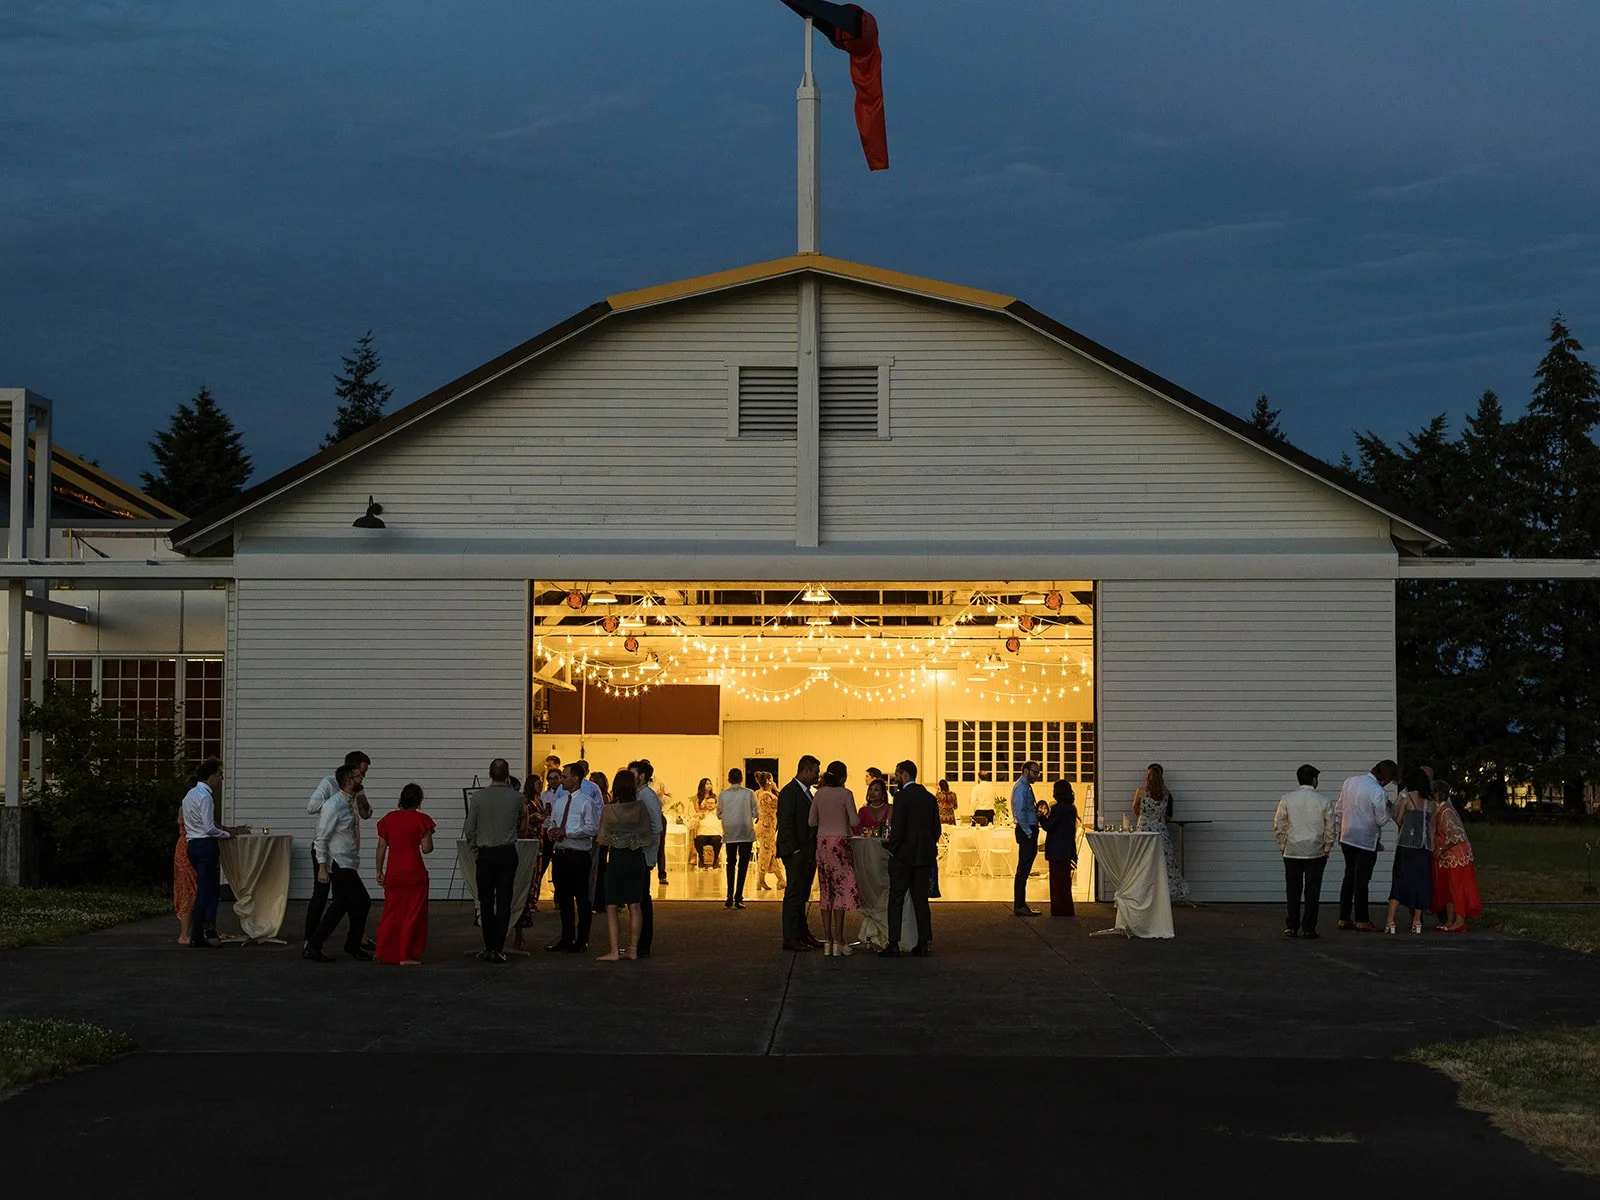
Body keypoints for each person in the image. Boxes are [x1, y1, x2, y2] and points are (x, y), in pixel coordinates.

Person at [304, 751, 372, 951]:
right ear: (352, 771)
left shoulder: (356, 789)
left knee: (343, 900)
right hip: (328, 851)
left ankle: (353, 939)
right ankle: (311, 938)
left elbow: (366, 814)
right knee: (323, 894)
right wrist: (339, 799)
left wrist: (359, 797)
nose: (364, 776)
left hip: (346, 853)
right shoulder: (329, 784)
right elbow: (312, 807)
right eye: (362, 772)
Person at [181, 759, 249, 949]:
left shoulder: (189, 795)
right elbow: (209, 827)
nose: (221, 778)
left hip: (192, 844)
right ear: (211, 776)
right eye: (219, 775)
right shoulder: (206, 797)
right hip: (205, 845)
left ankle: (202, 931)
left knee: (207, 889)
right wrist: (228, 834)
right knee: (208, 891)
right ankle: (203, 931)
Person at [461, 759, 523, 964]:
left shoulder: (478, 797)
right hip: (506, 852)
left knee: (486, 901)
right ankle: (498, 947)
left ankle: (488, 946)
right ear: (507, 774)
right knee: (504, 901)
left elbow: (469, 827)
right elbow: (523, 821)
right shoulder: (516, 797)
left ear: (489, 774)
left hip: (486, 854)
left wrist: (474, 849)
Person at [882, 760, 940, 957]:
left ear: (904, 774)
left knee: (896, 899)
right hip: (923, 856)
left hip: (903, 856)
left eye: (897, 775)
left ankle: (894, 943)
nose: (896, 779)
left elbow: (898, 827)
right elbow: (936, 829)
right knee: (920, 900)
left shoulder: (901, 798)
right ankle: (924, 941)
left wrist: (893, 848)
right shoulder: (929, 798)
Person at [595, 770, 653, 961]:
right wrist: (632, 839)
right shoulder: (641, 808)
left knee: (611, 905)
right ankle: (633, 949)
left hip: (617, 858)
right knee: (635, 904)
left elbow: (602, 838)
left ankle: (614, 950)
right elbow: (648, 835)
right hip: (635, 857)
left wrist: (617, 838)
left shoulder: (609, 810)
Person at [374, 783, 436, 965]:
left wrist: (379, 870)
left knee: (391, 913)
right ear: (419, 800)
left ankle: (382, 951)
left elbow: (381, 847)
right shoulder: (422, 820)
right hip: (414, 872)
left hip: (394, 872)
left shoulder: (389, 819)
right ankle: (406, 955)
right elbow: (427, 849)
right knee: (413, 914)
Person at [1334, 759, 1398, 931]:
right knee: (1362, 879)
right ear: (1385, 778)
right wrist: (1391, 810)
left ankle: (1344, 917)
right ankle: (1362, 919)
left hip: (1347, 835)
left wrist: (1339, 831)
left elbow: (1338, 809)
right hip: (1366, 839)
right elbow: (1381, 819)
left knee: (1349, 876)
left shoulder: (1350, 782)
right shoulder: (1378, 791)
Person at [547, 760, 602, 953]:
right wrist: (552, 832)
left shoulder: (586, 802)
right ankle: (566, 937)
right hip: (561, 854)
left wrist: (567, 832)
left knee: (582, 897)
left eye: (564, 776)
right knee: (563, 897)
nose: (561, 779)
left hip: (578, 855)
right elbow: (553, 822)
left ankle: (582, 939)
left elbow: (592, 828)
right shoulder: (560, 802)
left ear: (575, 779)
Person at [808, 760, 861, 956]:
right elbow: (855, 821)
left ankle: (828, 940)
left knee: (825, 890)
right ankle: (839, 940)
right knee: (840, 891)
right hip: (840, 844)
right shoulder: (846, 794)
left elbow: (811, 821)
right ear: (843, 777)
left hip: (822, 844)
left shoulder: (819, 794)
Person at [1274, 764, 1334, 938]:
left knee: (1292, 890)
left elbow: (1279, 824)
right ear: (1314, 780)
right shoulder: (1323, 800)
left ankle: (1291, 926)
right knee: (1312, 891)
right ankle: (1309, 928)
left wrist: (1283, 844)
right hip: (1315, 851)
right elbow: (1330, 827)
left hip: (1292, 849)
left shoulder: (1287, 799)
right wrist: (1327, 847)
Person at [777, 755, 823, 953]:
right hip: (796, 851)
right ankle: (791, 937)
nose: (817, 776)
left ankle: (802, 933)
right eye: (815, 772)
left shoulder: (807, 793)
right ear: (805, 770)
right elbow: (785, 821)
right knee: (794, 894)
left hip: (806, 850)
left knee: (802, 894)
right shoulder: (789, 792)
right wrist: (794, 848)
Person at [1385, 768, 1435, 935]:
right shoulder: (1431, 803)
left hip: (1406, 846)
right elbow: (1432, 828)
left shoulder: (1407, 798)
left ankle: (1391, 920)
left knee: (1400, 880)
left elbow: (1399, 820)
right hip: (1424, 847)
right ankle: (1417, 921)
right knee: (1420, 883)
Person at [1133, 762, 1191, 904]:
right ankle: (1164, 893)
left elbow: (1135, 808)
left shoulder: (1140, 792)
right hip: (1160, 830)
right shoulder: (1166, 794)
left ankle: (1141, 893)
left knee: (1142, 861)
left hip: (1144, 829)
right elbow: (1169, 816)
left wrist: (1145, 816)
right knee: (1164, 861)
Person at [1431, 780, 1481, 932]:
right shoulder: (1441, 810)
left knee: (1456, 887)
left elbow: (1456, 835)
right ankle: (1450, 920)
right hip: (1449, 857)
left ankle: (1459, 920)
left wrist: (1440, 849)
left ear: (1438, 794)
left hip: (1456, 856)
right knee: (1448, 888)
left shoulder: (1447, 812)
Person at [512, 774, 551, 951]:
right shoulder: (525, 800)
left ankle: (533, 900)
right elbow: (523, 819)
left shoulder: (539, 798)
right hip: (528, 839)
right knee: (529, 872)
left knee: (538, 871)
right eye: (537, 783)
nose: (540, 785)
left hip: (538, 840)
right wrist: (534, 816)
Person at [631, 760, 665, 957]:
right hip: (641, 853)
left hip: (643, 855)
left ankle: (644, 942)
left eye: (633, 773)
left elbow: (656, 827)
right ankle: (640, 942)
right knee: (639, 899)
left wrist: (641, 844)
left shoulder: (648, 797)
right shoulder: (639, 795)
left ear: (642, 776)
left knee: (643, 899)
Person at [717, 768, 759, 909]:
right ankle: (738, 897)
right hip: (745, 832)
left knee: (730, 863)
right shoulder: (749, 793)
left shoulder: (723, 795)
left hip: (730, 832)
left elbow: (719, 813)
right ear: (741, 779)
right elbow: (755, 812)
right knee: (743, 865)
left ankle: (729, 895)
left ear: (729, 780)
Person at [1012, 760, 1046, 915]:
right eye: (1035, 772)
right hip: (1026, 831)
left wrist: (1035, 814)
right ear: (1025, 771)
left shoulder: (1026, 787)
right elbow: (1019, 812)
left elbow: (1025, 809)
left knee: (1025, 868)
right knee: (1023, 869)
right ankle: (1019, 905)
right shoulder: (1020, 788)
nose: (1037, 776)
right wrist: (1029, 832)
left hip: (1029, 828)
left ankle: (1021, 904)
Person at [1041, 780, 1078, 917]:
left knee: (1056, 883)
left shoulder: (1057, 808)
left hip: (1056, 849)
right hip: (1067, 848)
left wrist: (1042, 818)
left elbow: (1049, 826)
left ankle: (1058, 910)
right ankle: (1067, 909)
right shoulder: (1071, 808)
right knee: (1065, 882)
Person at [754, 771, 786, 893]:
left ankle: (781, 880)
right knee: (765, 853)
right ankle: (761, 879)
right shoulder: (767, 796)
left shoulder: (759, 793)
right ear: (769, 781)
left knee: (772, 852)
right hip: (766, 827)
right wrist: (776, 789)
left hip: (768, 827)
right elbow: (782, 804)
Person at [173, 812, 197, 945]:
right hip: (184, 852)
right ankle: (184, 934)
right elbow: (180, 820)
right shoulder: (185, 808)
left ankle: (189, 932)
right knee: (188, 891)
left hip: (189, 848)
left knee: (193, 890)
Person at [695, 796, 724, 870]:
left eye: (712, 803)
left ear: (715, 804)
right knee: (698, 839)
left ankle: (716, 860)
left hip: (715, 835)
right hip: (703, 835)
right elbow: (692, 826)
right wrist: (696, 818)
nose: (710, 805)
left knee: (717, 839)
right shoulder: (701, 814)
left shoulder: (720, 814)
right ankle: (701, 860)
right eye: (708, 803)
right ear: (705, 804)